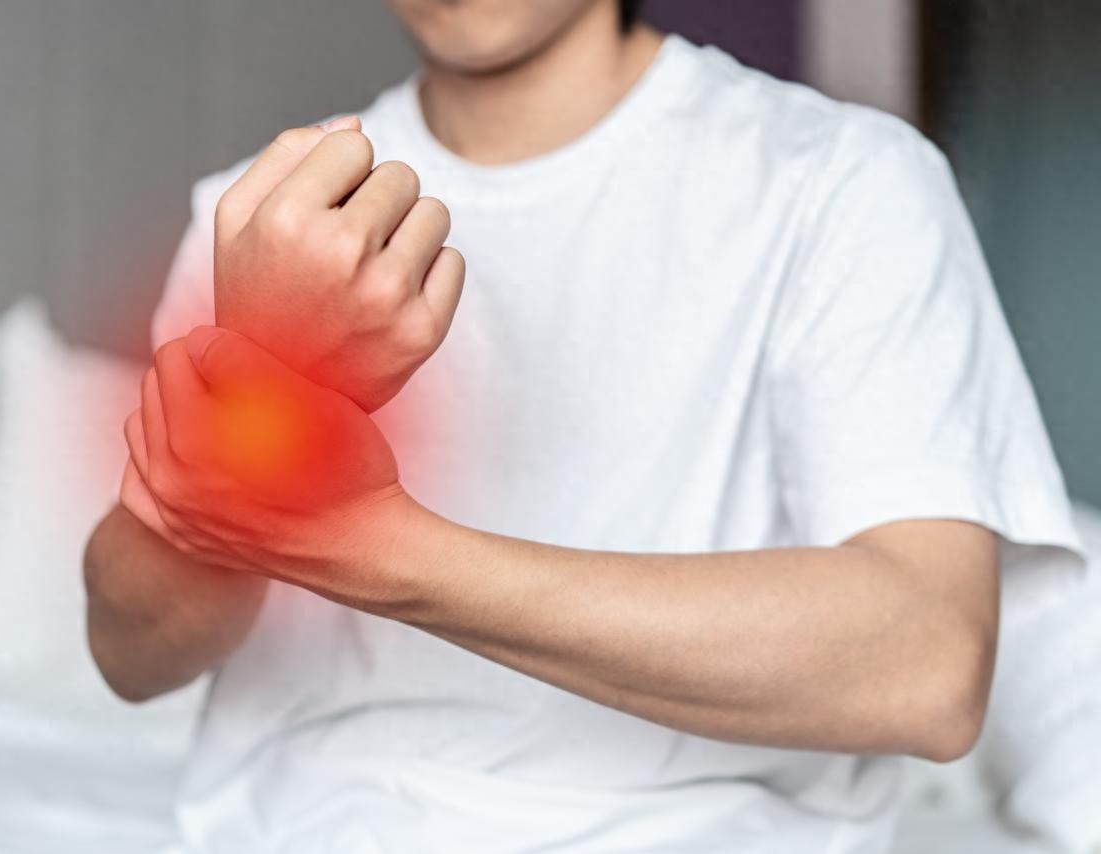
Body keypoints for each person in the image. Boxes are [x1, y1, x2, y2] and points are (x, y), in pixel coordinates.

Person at [84, 1, 1085, 850]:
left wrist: (375, 545)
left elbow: (926, 667)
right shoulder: (270, 215)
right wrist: (268, 387)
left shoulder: (842, 180)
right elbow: (130, 652)